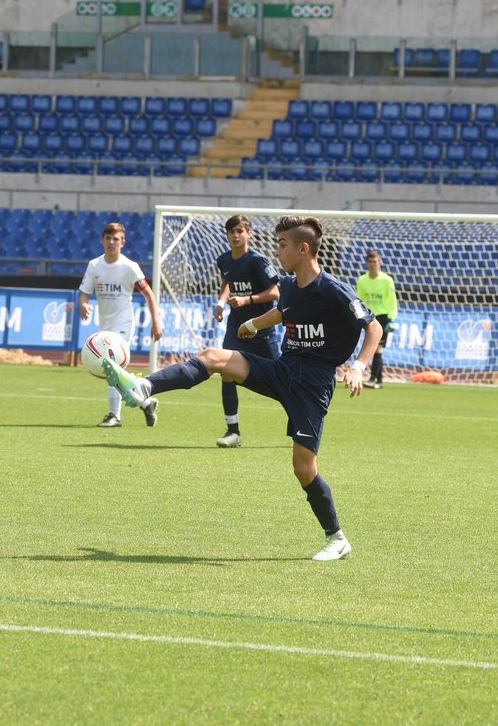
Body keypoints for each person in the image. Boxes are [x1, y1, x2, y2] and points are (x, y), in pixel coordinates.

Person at [102, 214, 382, 561]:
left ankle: (337, 538)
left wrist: (358, 366)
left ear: (303, 248)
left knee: (303, 468)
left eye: (282, 245)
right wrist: (252, 323)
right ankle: (143, 387)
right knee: (213, 357)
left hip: (313, 385)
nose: (277, 251)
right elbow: (283, 312)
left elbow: (373, 329)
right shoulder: (290, 285)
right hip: (283, 369)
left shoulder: (333, 289)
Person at [78, 221, 163, 428]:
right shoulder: (94, 265)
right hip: (105, 326)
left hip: (124, 324)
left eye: (116, 239)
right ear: (102, 240)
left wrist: (156, 321)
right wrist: (84, 305)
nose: (111, 242)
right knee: (114, 372)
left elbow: (148, 293)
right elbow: (84, 294)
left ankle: (114, 416)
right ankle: (145, 403)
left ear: (122, 242)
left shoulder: (129, 267)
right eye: (108, 238)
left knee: (111, 367)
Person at [213, 214, 282, 448]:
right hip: (236, 328)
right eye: (232, 231)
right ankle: (233, 432)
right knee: (226, 372)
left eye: (240, 231)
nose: (235, 235)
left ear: (249, 234)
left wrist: (247, 300)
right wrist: (221, 304)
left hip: (261, 328)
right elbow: (228, 283)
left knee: (282, 381)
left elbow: (276, 292)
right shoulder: (224, 260)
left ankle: (301, 421)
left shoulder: (258, 261)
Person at [355, 249, 398, 388]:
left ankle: (373, 379)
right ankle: (379, 381)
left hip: (383, 316)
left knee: (377, 347)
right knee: (374, 347)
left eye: (375, 261)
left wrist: (391, 318)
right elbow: (359, 298)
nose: (373, 264)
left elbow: (392, 300)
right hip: (369, 316)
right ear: (366, 263)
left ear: (380, 263)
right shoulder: (362, 280)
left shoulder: (387, 280)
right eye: (370, 262)